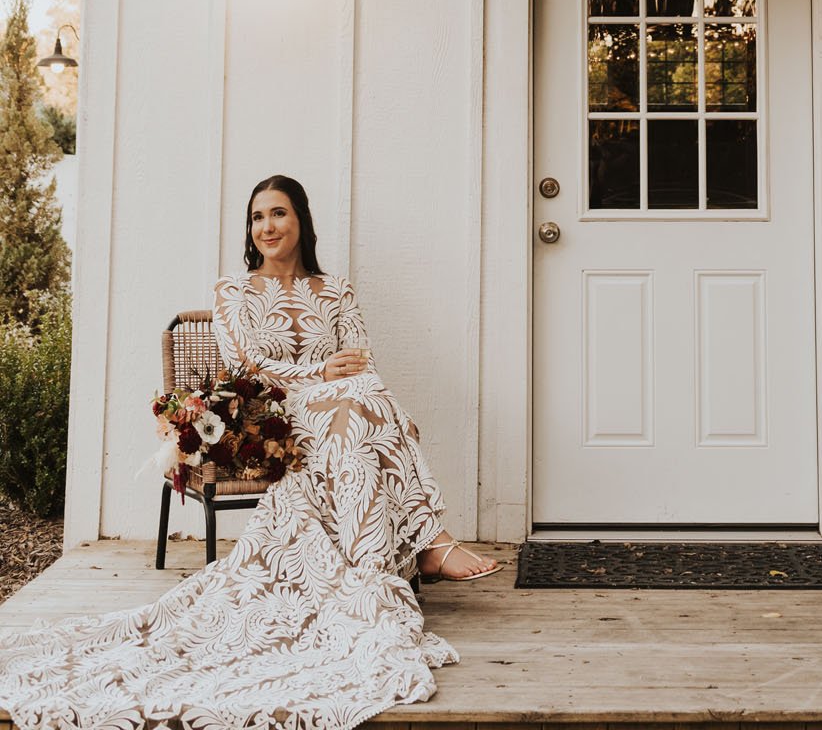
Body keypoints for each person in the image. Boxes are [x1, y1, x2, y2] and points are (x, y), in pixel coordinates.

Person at [0, 174, 500, 728]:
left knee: (364, 395)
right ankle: (425, 543)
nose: (267, 227)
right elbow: (245, 369)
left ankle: (381, 565)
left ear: (301, 220)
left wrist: (338, 380)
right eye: (258, 217)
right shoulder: (232, 291)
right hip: (279, 414)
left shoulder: (337, 291)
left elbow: (361, 362)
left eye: (279, 214)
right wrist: (317, 372)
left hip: (344, 407)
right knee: (367, 404)